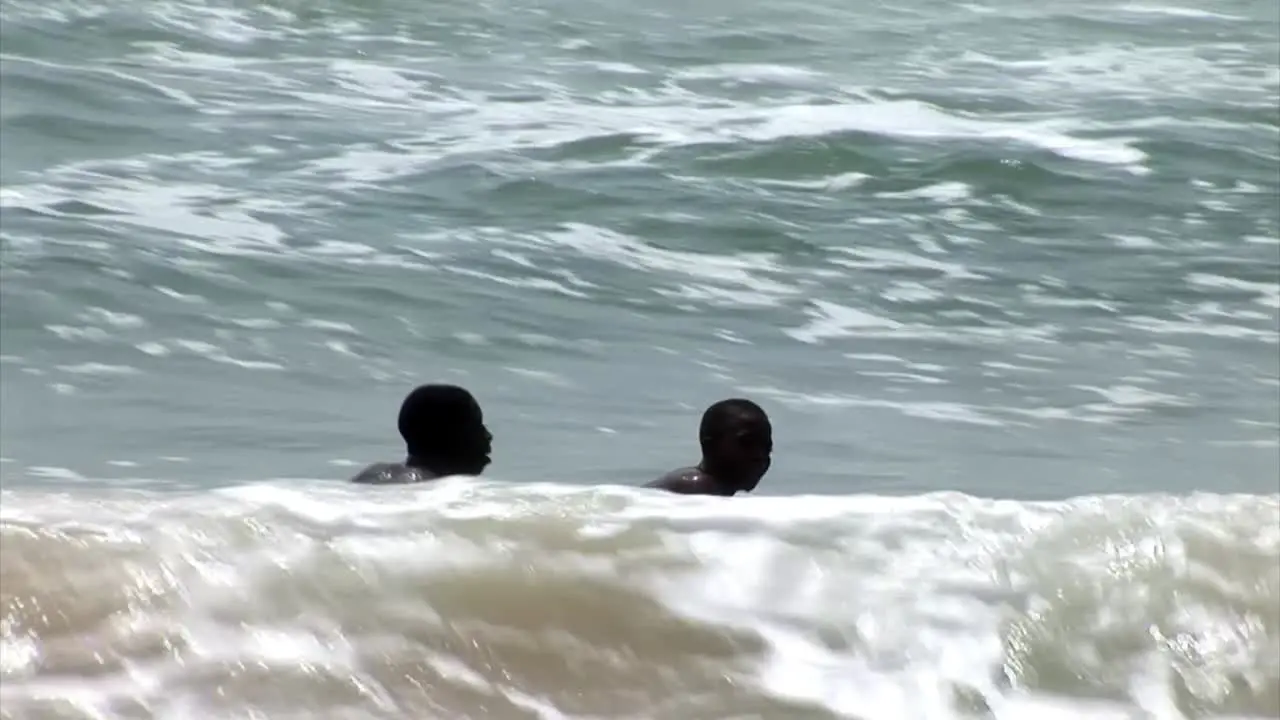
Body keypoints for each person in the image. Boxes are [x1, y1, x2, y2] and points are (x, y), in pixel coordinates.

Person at [350, 383, 493, 484]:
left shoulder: (373, 474)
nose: (488, 436)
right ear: (446, 436)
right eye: (476, 426)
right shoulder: (443, 491)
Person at [646, 398, 773, 496]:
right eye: (747, 443)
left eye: (767, 447)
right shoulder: (697, 487)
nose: (759, 455)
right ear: (710, 445)